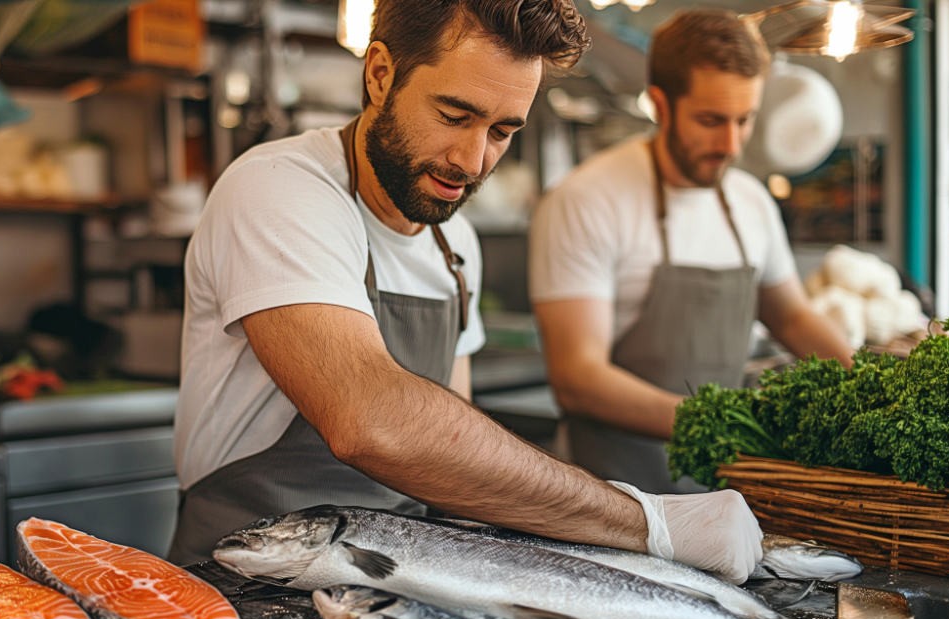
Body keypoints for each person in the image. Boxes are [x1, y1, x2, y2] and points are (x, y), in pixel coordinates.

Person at [168, 0, 766, 585]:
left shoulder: (455, 249)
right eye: (454, 116)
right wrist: (647, 521)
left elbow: (451, 465)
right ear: (380, 74)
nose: (473, 160)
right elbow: (368, 418)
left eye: (503, 131)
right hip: (243, 582)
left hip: (393, 581)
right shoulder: (280, 188)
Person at [529, 8, 856, 495]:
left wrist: (868, 384)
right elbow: (578, 377)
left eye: (744, 120)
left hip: (725, 491)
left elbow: (790, 315)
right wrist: (726, 424)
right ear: (661, 104)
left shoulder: (750, 202)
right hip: (615, 497)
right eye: (710, 120)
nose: (730, 144)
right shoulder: (586, 201)